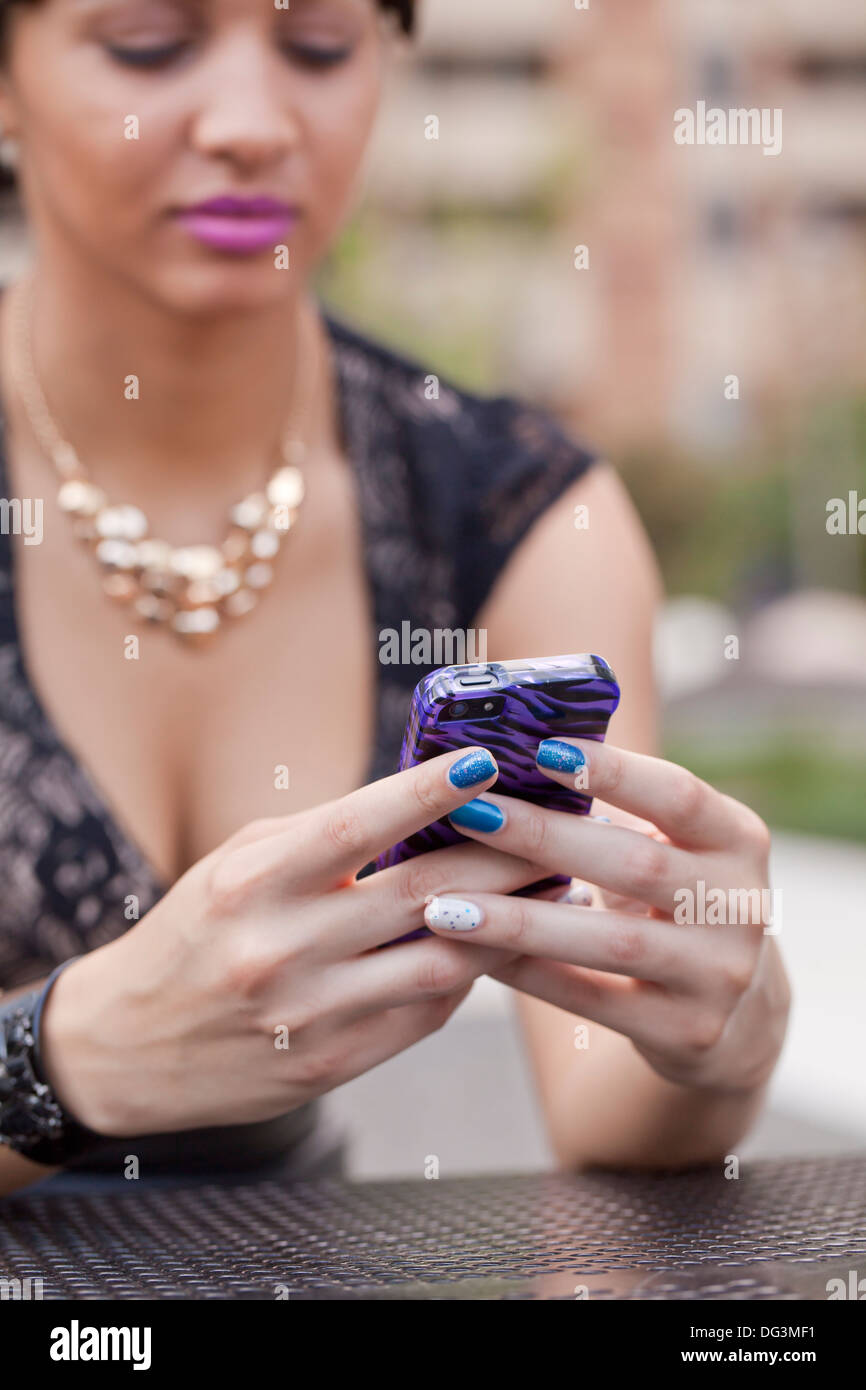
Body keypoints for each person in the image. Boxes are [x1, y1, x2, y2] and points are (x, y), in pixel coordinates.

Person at [0, 0, 790, 1198]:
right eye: (149, 43)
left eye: (319, 45)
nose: (254, 125)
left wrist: (717, 1040)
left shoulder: (514, 512)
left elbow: (604, 1096)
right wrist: (59, 1059)